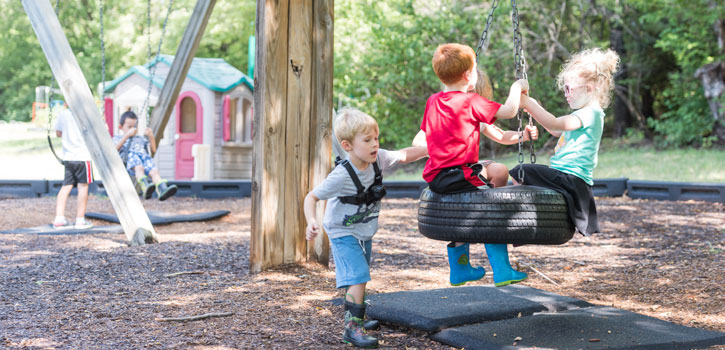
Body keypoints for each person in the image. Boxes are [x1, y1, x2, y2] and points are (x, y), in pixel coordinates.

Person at [303, 108, 427, 348]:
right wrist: (311, 221)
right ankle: (352, 328)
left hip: (363, 230)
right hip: (342, 231)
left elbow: (405, 155)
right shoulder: (341, 176)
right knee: (358, 275)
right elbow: (311, 197)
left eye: (376, 138)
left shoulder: (378, 159)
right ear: (347, 145)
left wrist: (432, 149)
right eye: (367, 140)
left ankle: (356, 318)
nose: (374, 145)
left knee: (358, 276)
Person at [414, 43, 532, 287]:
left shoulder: (433, 101)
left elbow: (432, 134)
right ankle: (502, 270)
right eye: (475, 69)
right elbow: (510, 110)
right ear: (468, 75)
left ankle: (460, 271)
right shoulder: (470, 101)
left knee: (463, 210)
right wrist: (517, 86)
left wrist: (522, 136)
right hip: (460, 174)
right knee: (494, 208)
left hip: (436, 177)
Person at [515, 48, 620, 237]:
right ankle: (533, 219)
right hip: (566, 176)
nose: (566, 93)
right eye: (565, 88)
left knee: (520, 173)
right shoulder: (583, 114)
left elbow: (555, 122)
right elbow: (556, 130)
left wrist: (528, 104)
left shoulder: (591, 113)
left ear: (589, 88)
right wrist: (534, 107)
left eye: (569, 88)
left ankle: (524, 223)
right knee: (524, 175)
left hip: (571, 178)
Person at [113, 111, 177, 201]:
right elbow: (114, 150)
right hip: (131, 158)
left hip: (144, 157)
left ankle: (162, 189)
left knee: (154, 172)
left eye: (134, 127)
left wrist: (151, 136)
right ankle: (145, 187)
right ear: (120, 127)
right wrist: (127, 135)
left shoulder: (140, 138)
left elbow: (153, 150)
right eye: (129, 127)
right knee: (139, 168)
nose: (133, 129)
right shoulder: (118, 138)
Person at [52, 108, 94, 229]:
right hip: (83, 155)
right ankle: (80, 220)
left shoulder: (64, 113)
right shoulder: (87, 112)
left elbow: (58, 133)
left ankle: (59, 218)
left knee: (66, 186)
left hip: (68, 156)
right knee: (83, 186)